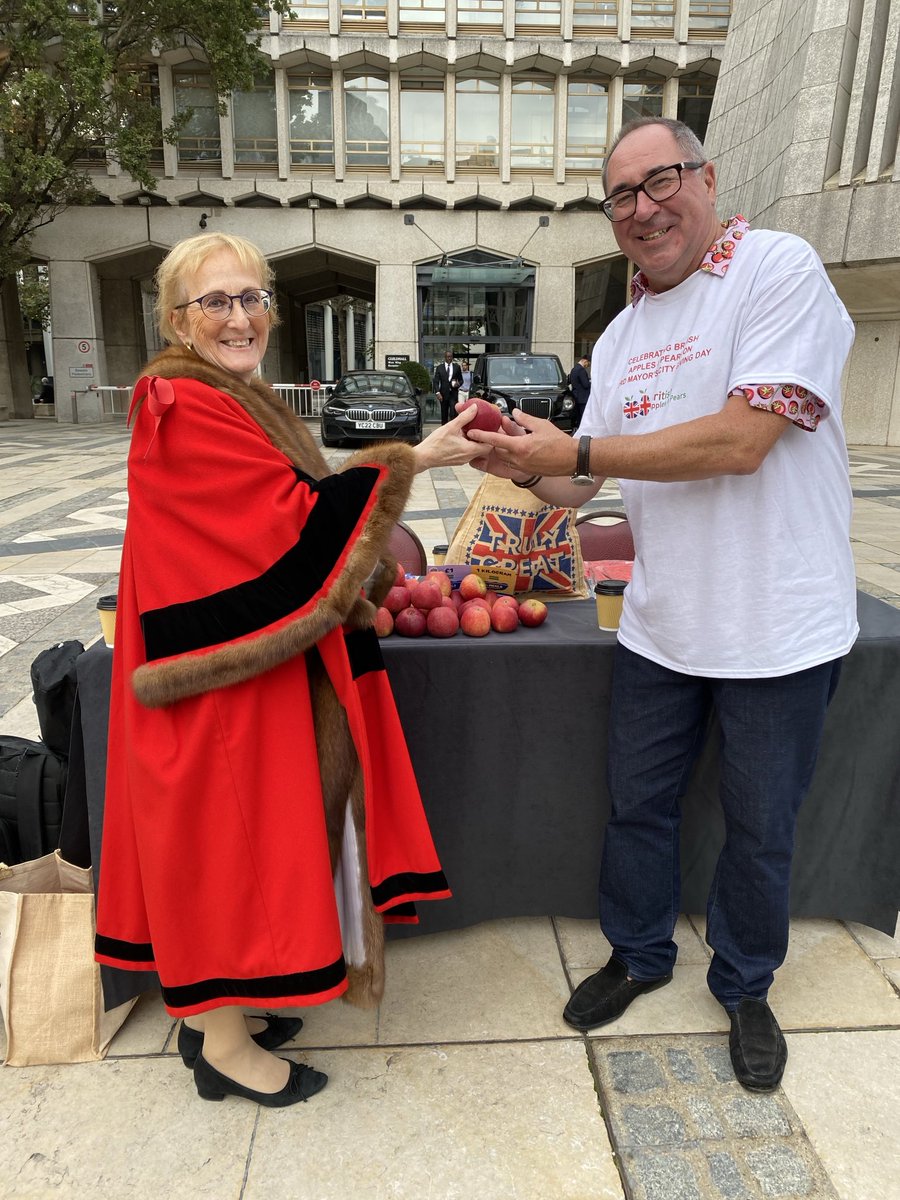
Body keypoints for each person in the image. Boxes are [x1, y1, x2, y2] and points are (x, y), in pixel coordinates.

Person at [465, 117, 857, 1094]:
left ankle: (747, 983)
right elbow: (577, 491)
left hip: (782, 629)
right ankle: (639, 954)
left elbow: (741, 440)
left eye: (661, 181)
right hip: (662, 628)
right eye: (622, 197)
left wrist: (577, 455)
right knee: (638, 808)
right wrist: (521, 459)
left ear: (706, 177)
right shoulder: (625, 333)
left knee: (761, 823)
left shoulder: (778, 269)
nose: (644, 209)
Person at [94, 232, 482, 1109]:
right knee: (223, 845)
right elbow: (281, 529)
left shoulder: (228, 394)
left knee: (238, 842)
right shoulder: (180, 401)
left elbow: (294, 523)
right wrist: (410, 460)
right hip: (214, 681)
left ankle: (219, 1020)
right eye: (215, 301)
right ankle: (221, 1046)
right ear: (176, 320)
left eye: (251, 298)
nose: (239, 317)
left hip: (237, 665)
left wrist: (374, 551)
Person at [432, 349, 463, 424]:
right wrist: (437, 392)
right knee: (444, 414)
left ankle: (453, 430)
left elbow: (461, 380)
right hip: (443, 395)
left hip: (453, 394)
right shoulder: (440, 368)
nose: (449, 358)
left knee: (453, 413)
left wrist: (458, 384)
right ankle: (444, 431)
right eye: (447, 357)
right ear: (445, 357)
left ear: (452, 357)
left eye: (450, 357)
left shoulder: (457, 367)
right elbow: (436, 381)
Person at [567, 355, 591, 428]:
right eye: (588, 364)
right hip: (583, 398)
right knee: (583, 417)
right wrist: (591, 382)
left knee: (578, 417)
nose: (587, 366)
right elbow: (586, 384)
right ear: (585, 361)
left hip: (576, 396)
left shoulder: (574, 369)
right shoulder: (581, 370)